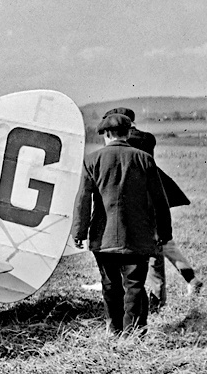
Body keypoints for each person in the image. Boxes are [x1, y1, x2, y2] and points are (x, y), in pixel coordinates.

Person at [73, 113, 173, 334]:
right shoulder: (144, 159)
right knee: (135, 286)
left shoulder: (91, 160)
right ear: (128, 133)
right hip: (137, 236)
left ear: (106, 134)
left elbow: (83, 199)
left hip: (104, 236)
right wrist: (164, 232)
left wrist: (79, 232)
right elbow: (160, 201)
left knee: (110, 286)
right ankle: (134, 333)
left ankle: (113, 328)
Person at [102, 107, 198, 302]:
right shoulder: (147, 138)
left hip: (136, 201)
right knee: (160, 245)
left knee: (155, 248)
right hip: (153, 198)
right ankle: (169, 289)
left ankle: (158, 295)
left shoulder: (127, 141)